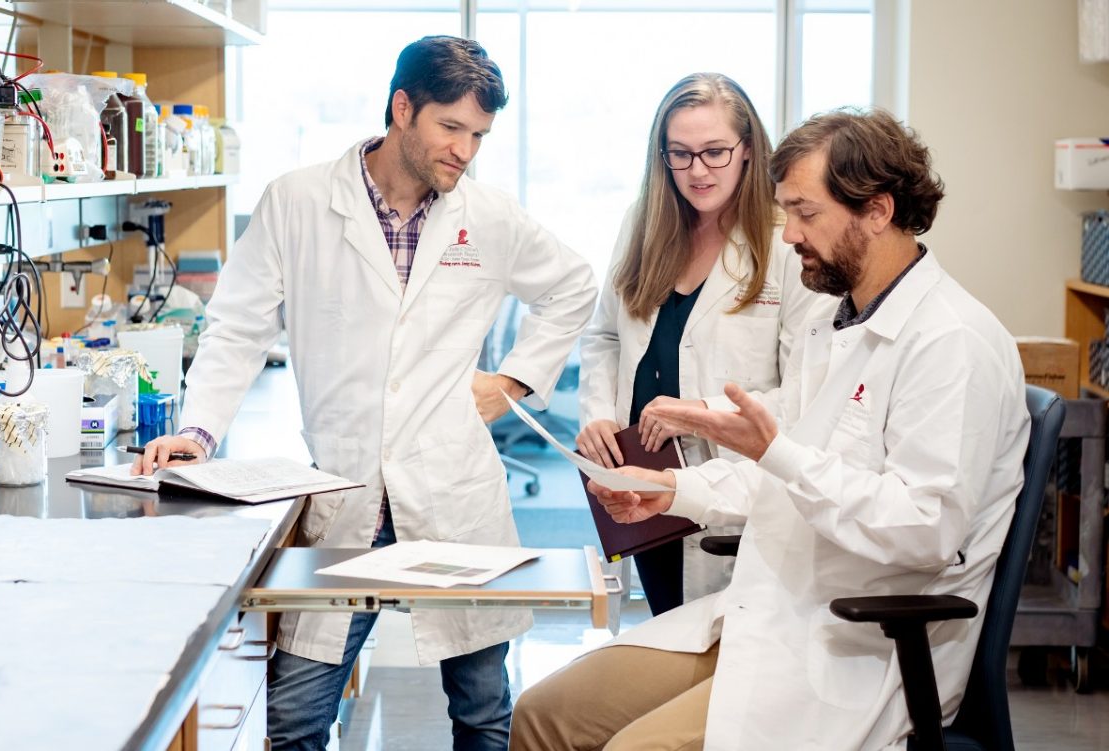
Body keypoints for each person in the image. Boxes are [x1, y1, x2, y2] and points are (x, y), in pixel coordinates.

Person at [509, 109, 1030, 750]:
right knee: (543, 713)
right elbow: (781, 475)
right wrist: (670, 492)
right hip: (774, 611)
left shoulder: (952, 343)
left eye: (806, 214)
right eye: (787, 213)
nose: (788, 236)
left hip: (861, 647)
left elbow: (923, 528)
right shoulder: (837, 327)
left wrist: (778, 454)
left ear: (877, 210)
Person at [134, 36, 597, 751]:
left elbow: (573, 286)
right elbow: (237, 328)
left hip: (451, 489)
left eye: (479, 135)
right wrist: (197, 432)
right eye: (452, 128)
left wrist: (511, 381)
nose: (465, 151)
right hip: (344, 491)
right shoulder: (298, 202)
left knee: (482, 710)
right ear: (402, 109)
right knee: (294, 719)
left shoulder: (490, 216)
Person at [576, 73, 822, 615]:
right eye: (680, 155)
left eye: (715, 152)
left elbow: (807, 392)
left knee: (728, 654)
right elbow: (605, 336)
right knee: (669, 628)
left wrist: (700, 413)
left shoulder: (787, 242)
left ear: (750, 150)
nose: (698, 171)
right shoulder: (645, 224)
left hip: (737, 485)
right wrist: (596, 413)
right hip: (640, 476)